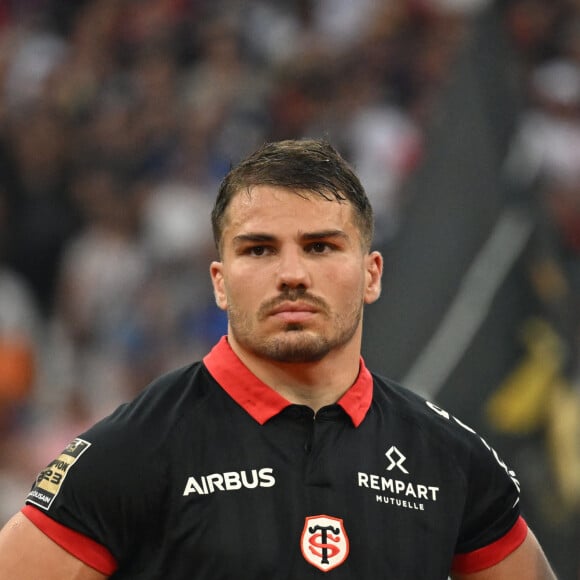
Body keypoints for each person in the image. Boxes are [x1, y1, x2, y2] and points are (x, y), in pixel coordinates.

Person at [0, 139, 557, 579]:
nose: (292, 274)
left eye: (321, 246)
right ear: (220, 283)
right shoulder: (131, 450)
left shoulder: (450, 459)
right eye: (259, 249)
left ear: (372, 274)